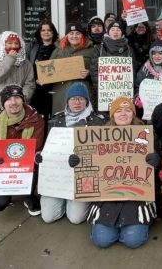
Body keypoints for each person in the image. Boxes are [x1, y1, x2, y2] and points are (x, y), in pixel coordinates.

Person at [84, 96, 159, 249]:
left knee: (133, 240)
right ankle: (114, 227)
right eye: (118, 111)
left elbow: (156, 173)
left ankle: (131, 227)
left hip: (136, 198)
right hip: (107, 198)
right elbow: (90, 167)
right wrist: (79, 161)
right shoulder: (99, 137)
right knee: (101, 241)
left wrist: (156, 161)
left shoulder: (146, 135)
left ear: (133, 114)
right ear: (112, 115)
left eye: (127, 110)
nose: (123, 114)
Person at [36, 82, 107, 224]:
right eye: (73, 98)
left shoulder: (99, 121)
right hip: (58, 176)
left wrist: (84, 158)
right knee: (48, 217)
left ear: (86, 101)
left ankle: (81, 201)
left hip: (84, 174)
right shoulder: (56, 120)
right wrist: (40, 156)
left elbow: (104, 152)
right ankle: (63, 199)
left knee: (76, 218)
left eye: (81, 98)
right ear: (67, 101)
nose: (77, 102)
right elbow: (47, 147)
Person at [0, 85, 45, 215]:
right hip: (0, 169)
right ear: (3, 104)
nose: (13, 102)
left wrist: (36, 157)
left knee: (38, 161)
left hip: (26, 167)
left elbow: (38, 148)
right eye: (9, 99)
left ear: (23, 101)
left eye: (17, 98)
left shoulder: (36, 120)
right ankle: (6, 192)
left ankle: (28, 194)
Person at [0, 31, 36, 121]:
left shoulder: (25, 63)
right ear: (3, 44)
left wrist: (22, 99)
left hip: (18, 108)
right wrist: (10, 58)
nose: (13, 46)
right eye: (9, 43)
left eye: (16, 43)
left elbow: (29, 84)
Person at [50, 22, 95, 114]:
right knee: (63, 122)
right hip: (62, 93)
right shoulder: (58, 50)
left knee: (84, 121)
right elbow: (49, 71)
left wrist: (89, 74)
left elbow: (99, 72)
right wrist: (42, 78)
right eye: (71, 33)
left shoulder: (92, 50)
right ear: (66, 35)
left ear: (82, 35)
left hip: (84, 93)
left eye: (78, 33)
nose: (74, 36)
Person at [90, 21, 136, 110]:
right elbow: (94, 70)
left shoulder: (129, 49)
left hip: (124, 93)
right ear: (108, 32)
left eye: (118, 30)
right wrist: (102, 89)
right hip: (105, 95)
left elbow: (132, 71)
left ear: (122, 32)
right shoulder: (99, 49)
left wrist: (127, 89)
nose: (115, 32)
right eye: (113, 29)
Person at [27, 20, 59, 123]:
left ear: (53, 32)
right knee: (39, 121)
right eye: (43, 30)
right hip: (38, 91)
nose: (46, 32)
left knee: (55, 119)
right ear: (39, 33)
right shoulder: (33, 49)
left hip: (55, 89)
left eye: (49, 30)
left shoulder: (59, 48)